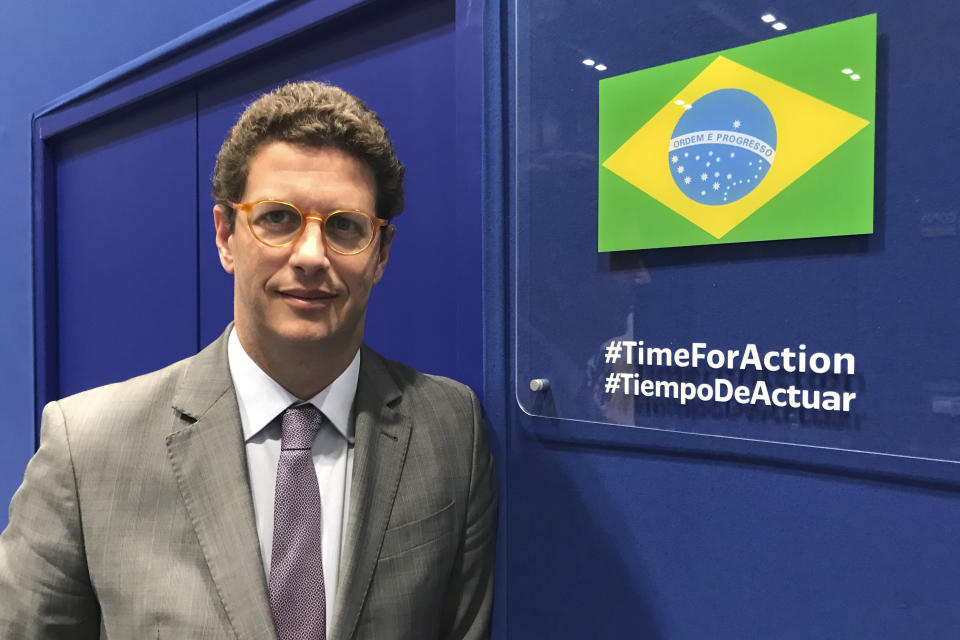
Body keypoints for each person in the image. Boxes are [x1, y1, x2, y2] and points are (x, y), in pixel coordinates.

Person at [0, 81, 497, 640]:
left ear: (380, 254)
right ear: (226, 237)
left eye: (345, 227)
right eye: (278, 219)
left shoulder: (452, 430)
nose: (311, 256)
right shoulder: (86, 448)